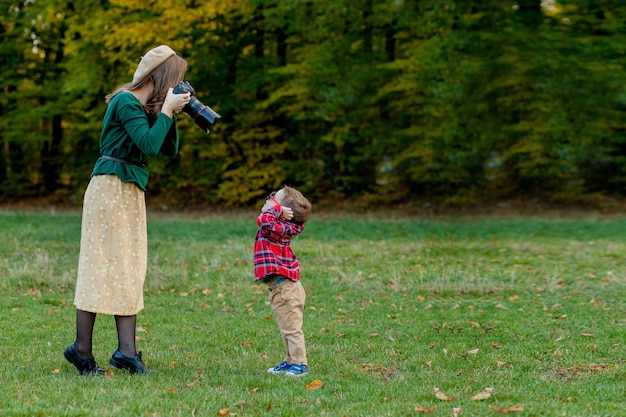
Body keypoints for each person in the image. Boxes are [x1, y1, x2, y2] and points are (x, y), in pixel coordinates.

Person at [64, 45, 191, 375]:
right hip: (109, 188)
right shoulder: (124, 102)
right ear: (160, 77)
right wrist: (165, 112)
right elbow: (147, 144)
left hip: (130, 191)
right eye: (175, 79)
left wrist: (170, 113)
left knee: (129, 265)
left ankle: (126, 351)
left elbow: (169, 149)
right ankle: (81, 350)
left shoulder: (145, 107)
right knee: (99, 265)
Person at [254, 185, 312, 376]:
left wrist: (277, 210)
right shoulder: (278, 228)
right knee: (286, 328)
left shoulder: (278, 227)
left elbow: (263, 220)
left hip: (286, 289)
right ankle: (289, 360)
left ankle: (300, 364)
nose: (268, 199)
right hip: (280, 289)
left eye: (273, 198)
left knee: (292, 329)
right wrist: (277, 208)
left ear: (283, 213)